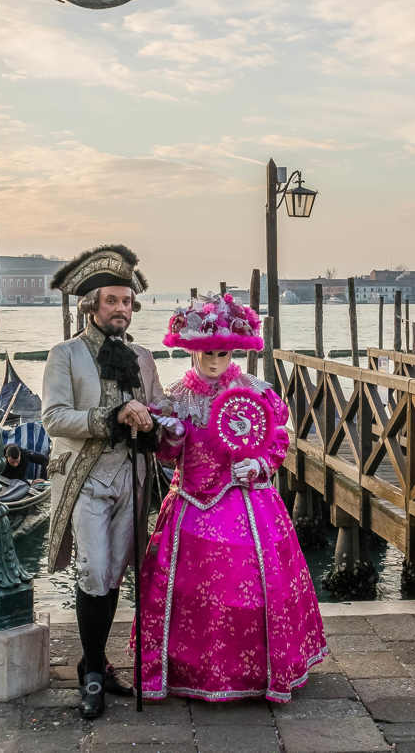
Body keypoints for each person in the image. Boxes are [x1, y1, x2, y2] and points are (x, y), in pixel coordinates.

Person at [135, 292, 328, 703]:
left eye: (221, 353)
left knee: (251, 586)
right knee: (190, 593)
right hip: (188, 503)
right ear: (191, 351)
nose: (213, 362)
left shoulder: (256, 391)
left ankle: (258, 674)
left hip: (246, 504)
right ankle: (183, 670)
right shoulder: (175, 397)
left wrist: (258, 465)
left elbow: (277, 441)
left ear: (233, 350)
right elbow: (168, 455)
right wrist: (169, 437)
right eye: (205, 354)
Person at [42, 244, 170, 720]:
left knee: (114, 569)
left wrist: (161, 418)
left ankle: (96, 662)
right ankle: (93, 671)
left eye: (127, 301)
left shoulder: (142, 356)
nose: (122, 308)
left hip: (132, 476)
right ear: (90, 305)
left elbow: (160, 406)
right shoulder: (66, 355)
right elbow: (55, 418)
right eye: (113, 300)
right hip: (86, 477)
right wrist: (111, 414)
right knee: (94, 570)